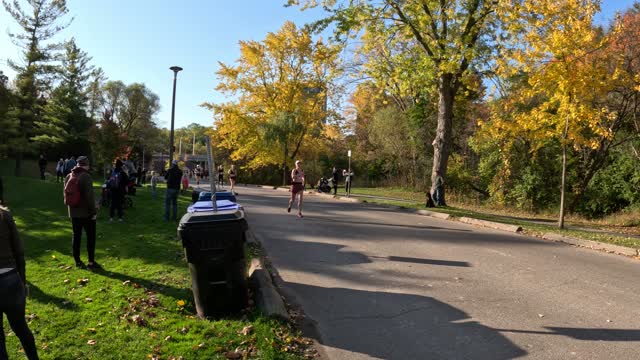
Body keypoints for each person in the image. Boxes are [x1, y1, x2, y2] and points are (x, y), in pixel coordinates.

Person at [0, 204, 39, 360]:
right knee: (21, 328)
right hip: (11, 280)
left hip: (10, 280)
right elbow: (19, 253)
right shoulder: (4, 215)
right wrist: (22, 282)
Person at [63, 156, 99, 269]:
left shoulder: (69, 176)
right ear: (86, 165)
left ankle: (77, 261)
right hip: (86, 213)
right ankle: (91, 262)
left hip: (73, 213)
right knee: (90, 237)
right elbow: (89, 197)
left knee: (76, 236)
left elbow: (65, 195)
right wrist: (93, 212)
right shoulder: (86, 176)